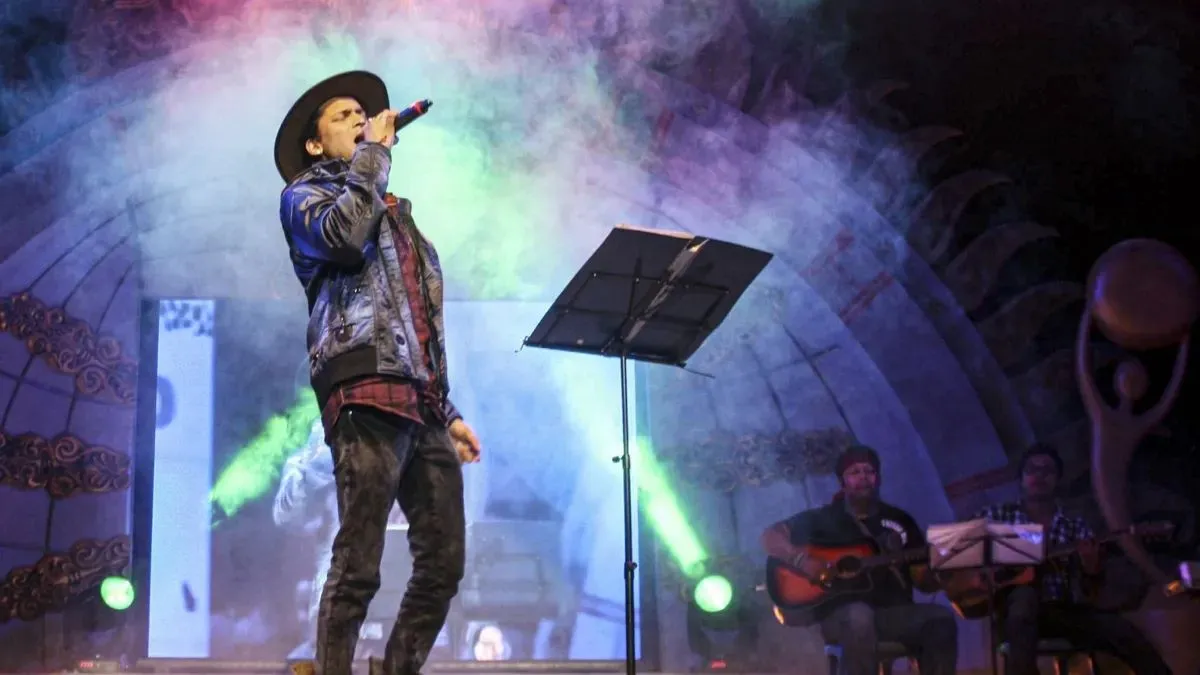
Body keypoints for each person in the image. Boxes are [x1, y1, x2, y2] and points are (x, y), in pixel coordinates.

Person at [274, 70, 483, 675]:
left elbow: (417, 321)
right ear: (316, 143)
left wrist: (448, 410)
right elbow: (344, 238)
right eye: (343, 116)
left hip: (422, 403)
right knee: (359, 560)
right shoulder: (304, 197)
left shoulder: (396, 215)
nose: (360, 120)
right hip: (364, 391)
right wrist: (374, 155)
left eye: (362, 114)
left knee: (443, 563)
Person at [760, 445, 958, 675]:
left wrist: (941, 573)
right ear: (842, 482)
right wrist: (802, 561)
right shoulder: (823, 518)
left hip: (892, 614)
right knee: (859, 615)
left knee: (941, 619)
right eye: (854, 472)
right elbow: (770, 537)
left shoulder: (900, 519)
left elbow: (922, 580)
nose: (863, 477)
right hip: (838, 616)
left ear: (878, 478)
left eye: (869, 471)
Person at [975, 443, 1171, 675]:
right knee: (1024, 598)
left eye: (1047, 470)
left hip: (1063, 611)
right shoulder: (996, 516)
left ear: (1058, 480)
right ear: (1022, 477)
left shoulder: (1074, 526)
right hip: (1012, 612)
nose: (1039, 476)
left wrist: (1091, 568)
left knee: (1124, 632)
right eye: (1032, 469)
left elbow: (1092, 592)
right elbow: (961, 549)